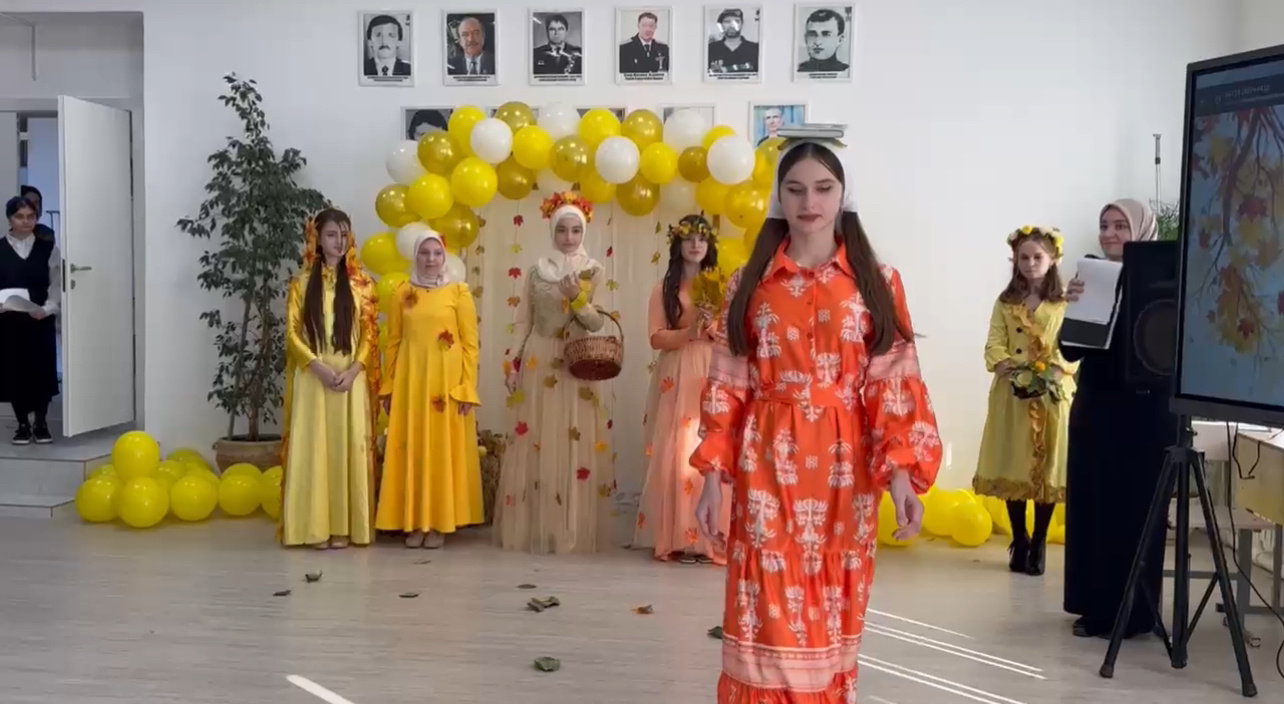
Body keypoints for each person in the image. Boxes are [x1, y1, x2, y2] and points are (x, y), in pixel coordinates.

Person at [691, 140, 942, 702]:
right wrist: (711, 477)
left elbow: (894, 384)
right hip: (766, 461)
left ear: (843, 195)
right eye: (796, 189)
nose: (810, 202)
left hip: (844, 469)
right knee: (766, 596)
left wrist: (903, 475)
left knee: (831, 601)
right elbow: (727, 383)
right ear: (778, 198)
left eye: (824, 188)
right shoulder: (748, 283)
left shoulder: (878, 280)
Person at [1060, 198, 1176, 638]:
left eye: (1121, 225)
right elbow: (1071, 350)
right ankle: (1095, 608)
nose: (1110, 233)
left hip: (1145, 416)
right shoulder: (1093, 277)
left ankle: (1135, 613)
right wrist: (1075, 308)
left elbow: (1162, 352)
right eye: (1105, 225)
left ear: (1142, 231)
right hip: (1096, 412)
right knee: (1095, 510)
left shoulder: (1166, 282)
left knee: (1136, 513)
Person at [492, 191, 616, 554]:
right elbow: (523, 322)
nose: (568, 237)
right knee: (538, 441)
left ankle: (570, 530)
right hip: (539, 360)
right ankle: (539, 529)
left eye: (575, 230)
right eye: (562, 230)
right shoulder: (536, 271)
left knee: (573, 442)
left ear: (583, 232)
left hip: (577, 361)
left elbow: (596, 323)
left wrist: (577, 297)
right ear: (552, 231)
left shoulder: (593, 270)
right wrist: (512, 364)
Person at [972, 225, 1078, 576]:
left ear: (1053, 259)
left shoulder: (1065, 303)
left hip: (1051, 393)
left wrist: (1053, 372)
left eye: (1037, 257)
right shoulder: (1005, 303)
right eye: (1023, 258)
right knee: (1014, 463)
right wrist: (1009, 369)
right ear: (1015, 261)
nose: (1030, 263)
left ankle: (1040, 541)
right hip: (1013, 393)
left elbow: (1074, 349)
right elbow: (994, 343)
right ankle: (1020, 538)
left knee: (1047, 467)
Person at [375, 228, 482, 549]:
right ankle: (413, 522)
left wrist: (467, 387)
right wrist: (389, 386)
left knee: (440, 447)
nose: (431, 259)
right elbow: (393, 342)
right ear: (415, 256)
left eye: (437, 253)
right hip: (411, 383)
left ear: (444, 256)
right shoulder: (402, 292)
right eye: (424, 253)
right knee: (412, 446)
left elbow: (471, 345)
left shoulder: (458, 293)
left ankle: (437, 523)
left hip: (446, 386)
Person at [633, 214, 731, 565]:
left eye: (702, 239)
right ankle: (677, 537)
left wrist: (711, 326)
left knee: (711, 444)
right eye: (689, 238)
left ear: (709, 246)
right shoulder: (664, 289)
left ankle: (710, 539)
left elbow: (732, 333)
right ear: (678, 244)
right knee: (677, 448)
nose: (695, 245)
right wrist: (689, 332)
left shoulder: (721, 286)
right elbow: (656, 337)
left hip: (712, 369)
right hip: (677, 372)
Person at [280, 209, 380, 549]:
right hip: (314, 379)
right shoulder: (300, 284)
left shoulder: (362, 285)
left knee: (347, 450)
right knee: (314, 452)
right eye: (332, 235)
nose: (339, 241)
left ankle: (345, 528)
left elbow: (369, 334)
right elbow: (292, 335)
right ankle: (314, 529)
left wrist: (354, 370)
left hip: (350, 381)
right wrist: (318, 367)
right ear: (317, 239)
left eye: (344, 234)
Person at [0, 196, 60, 445]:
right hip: (9, 321)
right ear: (10, 219)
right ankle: (22, 424)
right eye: (20, 217)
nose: (26, 221)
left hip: (39, 317)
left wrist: (47, 309)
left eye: (31, 217)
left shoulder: (48, 248)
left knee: (41, 370)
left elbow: (56, 283)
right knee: (15, 371)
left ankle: (41, 422)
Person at [797, 8, 850, 73]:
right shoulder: (798, 70)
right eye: (812, 34)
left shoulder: (847, 72)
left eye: (826, 34)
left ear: (840, 39)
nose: (817, 42)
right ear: (805, 38)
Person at [707, 8, 759, 75]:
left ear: (742, 24)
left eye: (736, 21)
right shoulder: (710, 49)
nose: (732, 25)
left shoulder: (755, 49)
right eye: (727, 21)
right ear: (721, 25)